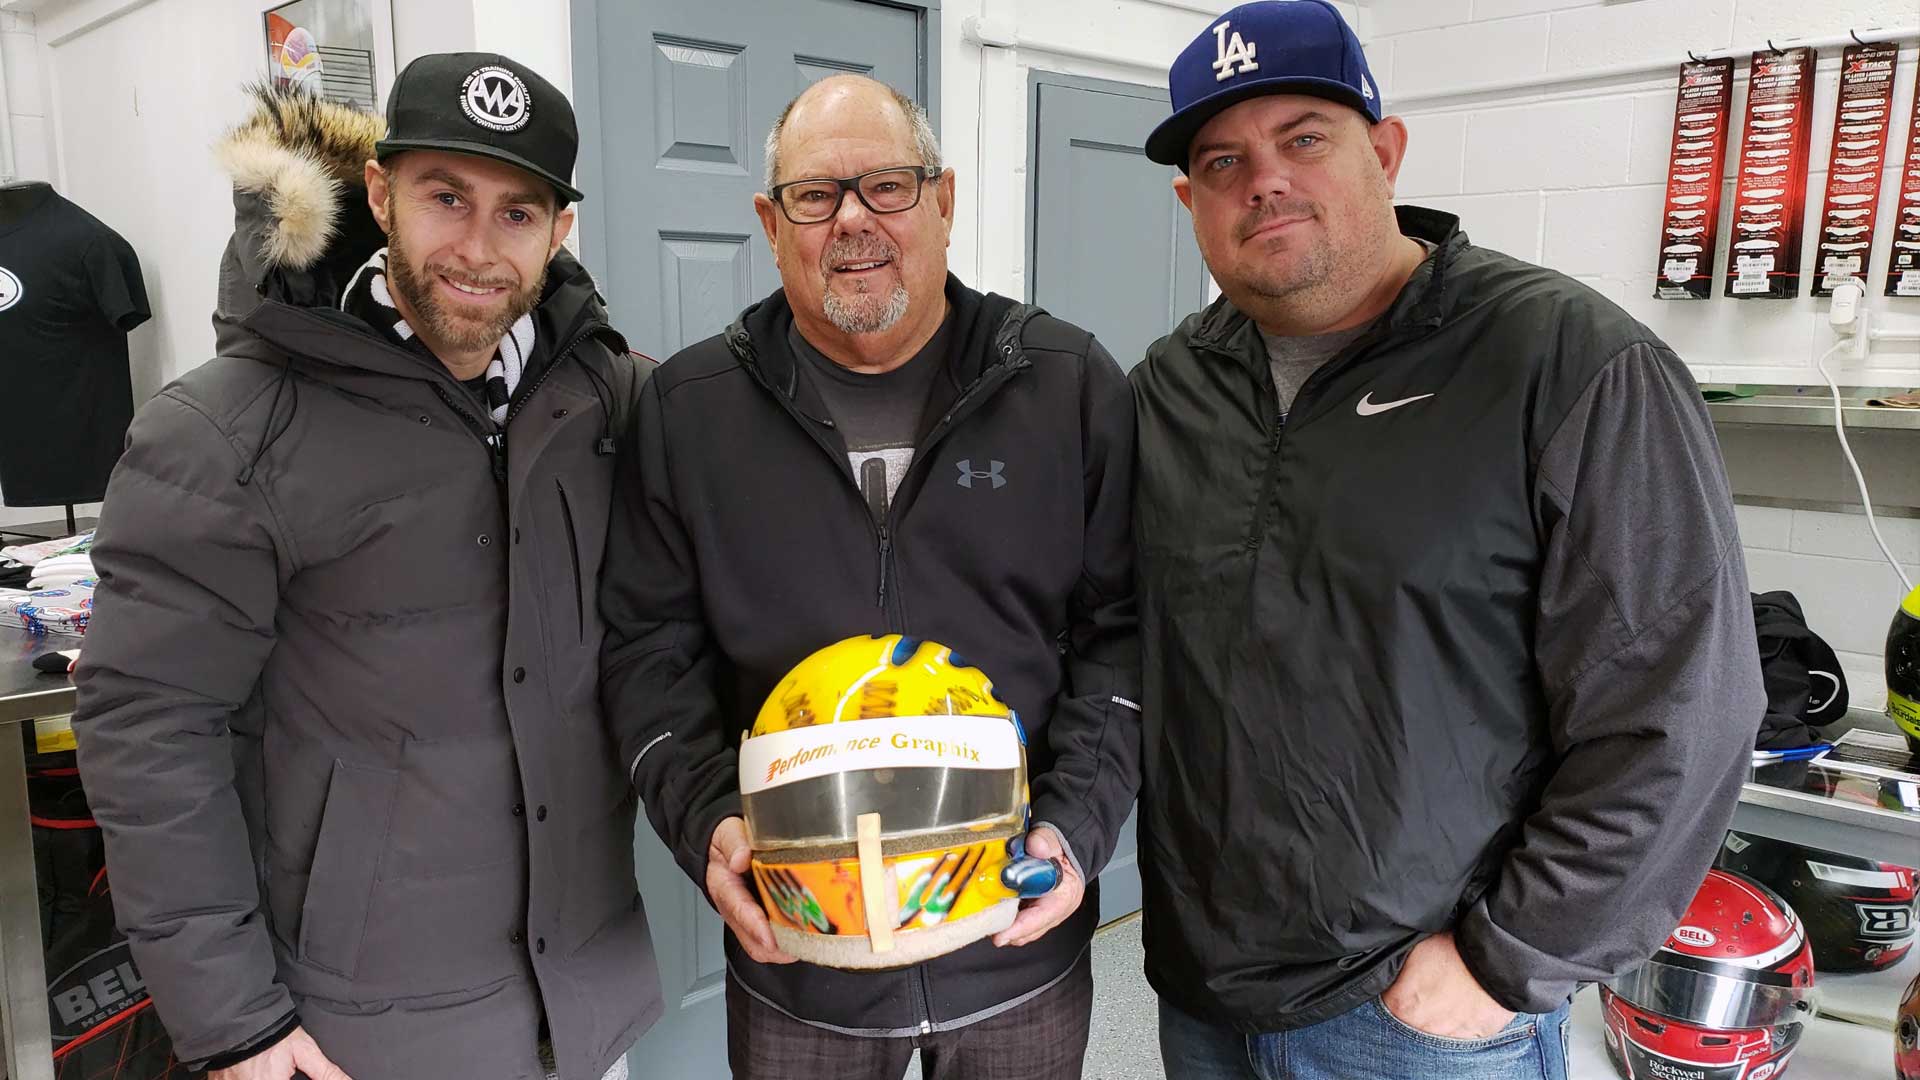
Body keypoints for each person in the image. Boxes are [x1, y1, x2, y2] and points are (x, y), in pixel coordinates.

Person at [1129, 4, 1764, 1078]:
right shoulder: (1167, 388)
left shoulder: (1566, 366)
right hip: (1202, 992)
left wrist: (1512, 959)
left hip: (1419, 1017)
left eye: (1305, 138)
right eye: (1223, 158)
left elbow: (1683, 706)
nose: (1264, 179)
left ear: (1384, 151)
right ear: (1192, 202)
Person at [72, 54, 658, 1080]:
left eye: (518, 214)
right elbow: (152, 730)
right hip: (361, 1032)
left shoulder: (605, 399)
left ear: (560, 231)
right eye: (445, 198)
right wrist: (232, 1021)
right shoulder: (225, 430)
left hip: (585, 1003)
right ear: (381, 194)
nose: (478, 249)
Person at [598, 74, 1141, 1079]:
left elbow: (1126, 634)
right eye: (815, 195)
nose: (852, 219)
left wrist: (1076, 827)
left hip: (1014, 949)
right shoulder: (687, 413)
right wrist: (711, 823)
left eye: (886, 185)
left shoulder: (1067, 385)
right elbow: (647, 653)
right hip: (802, 964)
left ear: (943, 199)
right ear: (771, 222)